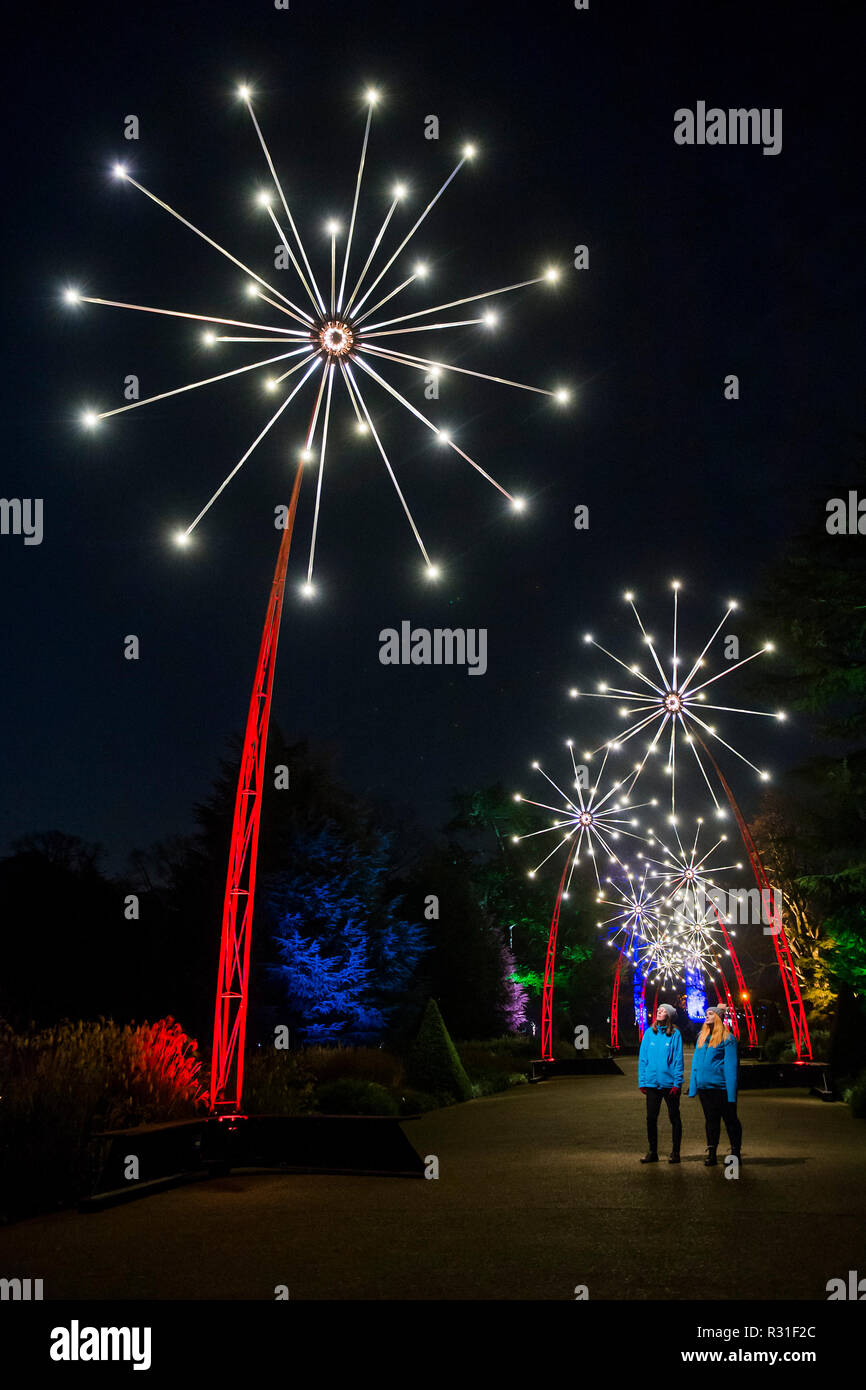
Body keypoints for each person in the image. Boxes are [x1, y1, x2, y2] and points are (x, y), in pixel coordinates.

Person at [688, 1003, 742, 1165]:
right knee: (711, 1121)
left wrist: (731, 1094)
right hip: (705, 1089)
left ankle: (735, 1153)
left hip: (722, 1089)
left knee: (730, 1121)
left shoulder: (727, 1039)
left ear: (718, 1018)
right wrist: (693, 1087)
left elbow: (731, 1067)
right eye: (707, 1013)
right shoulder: (701, 1037)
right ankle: (712, 1153)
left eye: (711, 1014)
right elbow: (695, 1064)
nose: (707, 1016)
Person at [638, 1002, 684, 1164]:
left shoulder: (675, 1035)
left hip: (669, 1084)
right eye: (658, 1010)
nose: (659, 1012)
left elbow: (679, 1060)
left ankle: (676, 1152)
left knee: (674, 1117)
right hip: (651, 1084)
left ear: (669, 1016)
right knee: (651, 1118)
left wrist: (677, 1083)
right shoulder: (649, 1033)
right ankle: (652, 1151)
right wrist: (642, 1081)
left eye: (663, 1011)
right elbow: (643, 1059)